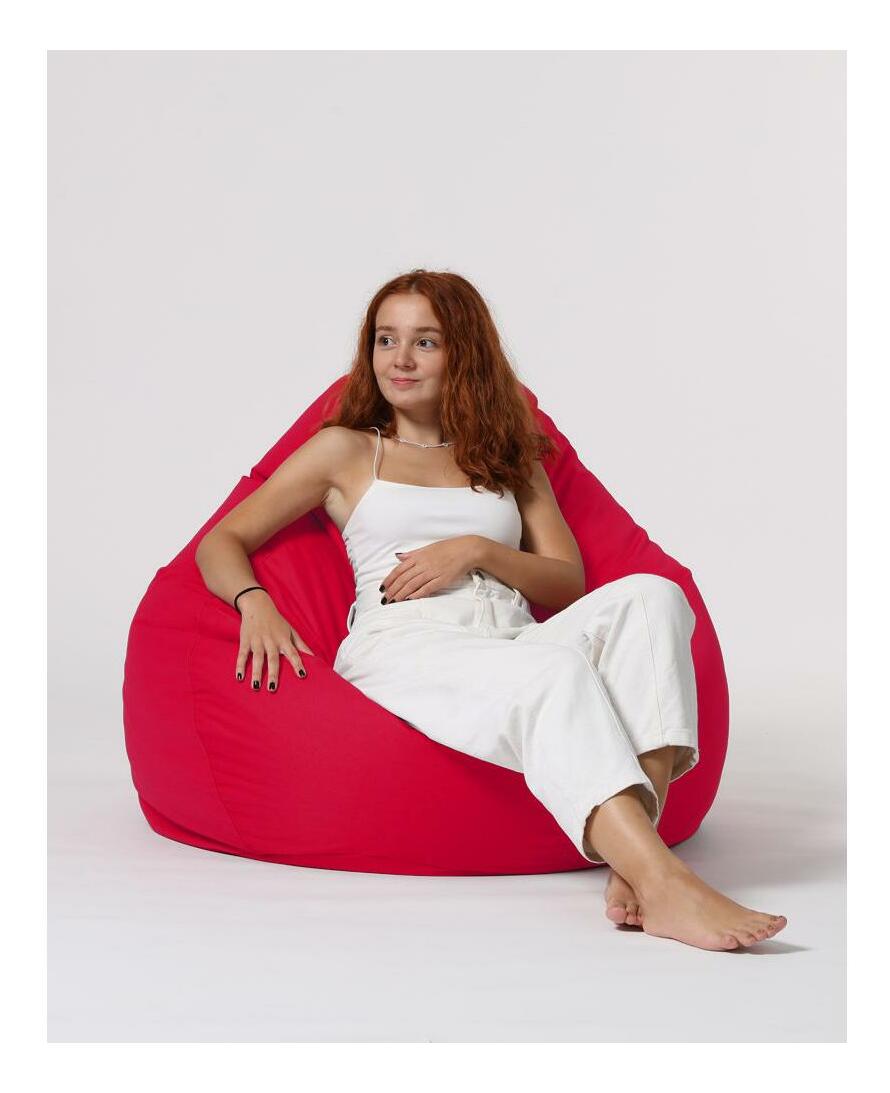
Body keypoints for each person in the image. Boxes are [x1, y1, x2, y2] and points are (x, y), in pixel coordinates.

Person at [195, 269, 788, 951]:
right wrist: (254, 603)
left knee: (656, 598)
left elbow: (565, 582)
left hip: (508, 637)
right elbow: (222, 541)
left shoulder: (507, 453)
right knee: (556, 676)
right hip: (406, 643)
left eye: (425, 341)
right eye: (386, 340)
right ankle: (663, 882)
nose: (400, 359)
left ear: (463, 352)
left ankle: (636, 857)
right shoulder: (347, 449)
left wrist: (477, 550)